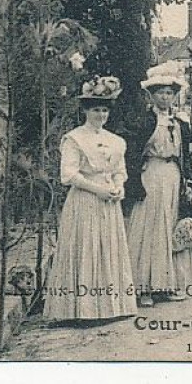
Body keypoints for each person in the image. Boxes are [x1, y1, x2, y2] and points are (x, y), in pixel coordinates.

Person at [44, 76, 136, 323]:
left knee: (107, 248)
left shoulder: (115, 140)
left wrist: (118, 187)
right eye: (96, 109)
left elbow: (120, 171)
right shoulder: (74, 139)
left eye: (105, 110)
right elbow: (68, 174)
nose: (101, 115)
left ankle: (110, 307)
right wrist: (98, 189)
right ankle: (83, 310)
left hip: (109, 202)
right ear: (85, 110)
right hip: (85, 200)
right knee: (87, 248)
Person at [124, 63, 192, 305]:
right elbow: (132, 153)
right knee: (150, 227)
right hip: (152, 173)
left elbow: (186, 155)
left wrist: (189, 182)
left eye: (169, 93)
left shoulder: (180, 122)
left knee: (172, 227)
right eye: (160, 92)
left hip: (173, 176)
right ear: (152, 96)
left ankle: (167, 284)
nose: (165, 97)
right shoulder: (145, 121)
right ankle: (144, 287)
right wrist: (135, 182)